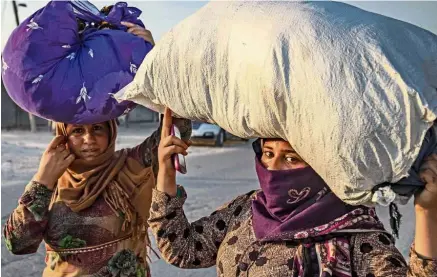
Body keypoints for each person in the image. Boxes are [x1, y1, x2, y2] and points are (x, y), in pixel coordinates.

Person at [148, 107, 437, 277]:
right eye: (268, 153)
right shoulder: (247, 208)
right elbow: (182, 250)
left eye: (292, 158)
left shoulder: (356, 235)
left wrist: (427, 212)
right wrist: (166, 171)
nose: (272, 167)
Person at [2, 26, 190, 277]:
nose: (89, 139)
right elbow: (17, 244)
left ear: (111, 130)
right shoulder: (51, 178)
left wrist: (155, 61)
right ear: (64, 134)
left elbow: (177, 125)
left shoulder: (131, 164)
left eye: (98, 129)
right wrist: (43, 180)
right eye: (78, 131)